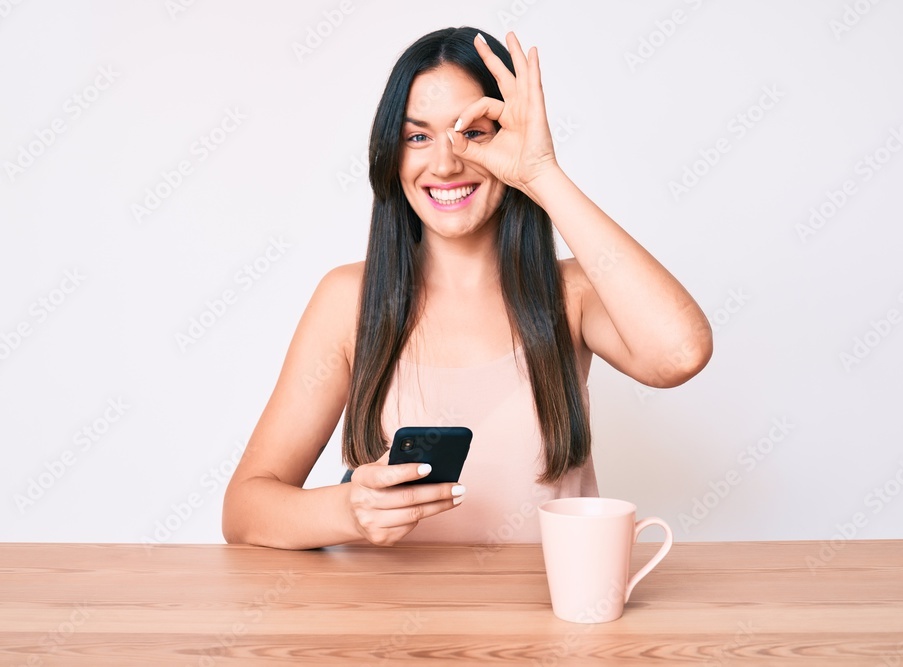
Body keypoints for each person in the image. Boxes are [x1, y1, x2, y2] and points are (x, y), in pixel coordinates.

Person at [222, 27, 712, 550]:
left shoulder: (573, 294)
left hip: (547, 625)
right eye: (417, 137)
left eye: (473, 132)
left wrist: (541, 173)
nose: (445, 162)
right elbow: (244, 512)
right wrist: (349, 511)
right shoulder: (349, 300)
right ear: (391, 155)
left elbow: (680, 353)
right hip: (390, 626)